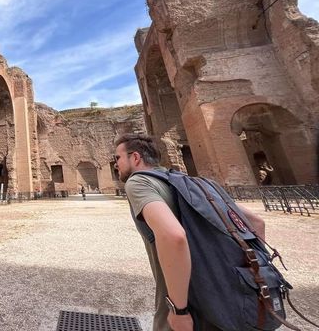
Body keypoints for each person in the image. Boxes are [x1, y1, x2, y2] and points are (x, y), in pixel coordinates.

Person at [114, 133, 266, 331]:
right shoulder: (189, 181)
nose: (115, 164)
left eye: (117, 158)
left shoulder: (139, 182)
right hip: (236, 296)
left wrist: (179, 310)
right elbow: (256, 222)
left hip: (192, 301)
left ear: (135, 157)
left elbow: (174, 235)